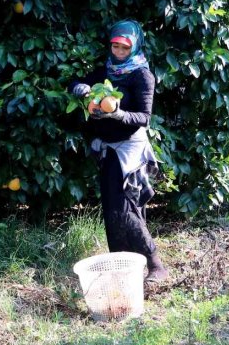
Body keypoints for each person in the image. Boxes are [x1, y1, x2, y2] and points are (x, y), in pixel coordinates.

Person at [69, 20, 169, 283]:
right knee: (111, 209)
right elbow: (77, 82)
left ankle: (156, 265)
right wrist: (79, 88)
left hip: (130, 148)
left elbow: (144, 118)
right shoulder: (107, 71)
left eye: (124, 47)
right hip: (108, 147)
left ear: (134, 46)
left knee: (126, 208)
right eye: (115, 46)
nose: (119, 52)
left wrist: (117, 113)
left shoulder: (142, 75)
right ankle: (121, 265)